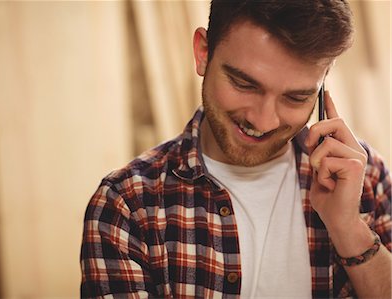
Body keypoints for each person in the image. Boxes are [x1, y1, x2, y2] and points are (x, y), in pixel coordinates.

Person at [80, 0, 391, 297]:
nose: (265, 120)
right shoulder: (127, 204)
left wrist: (348, 228)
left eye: (296, 98)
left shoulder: (365, 176)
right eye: (244, 84)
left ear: (322, 88)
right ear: (203, 52)